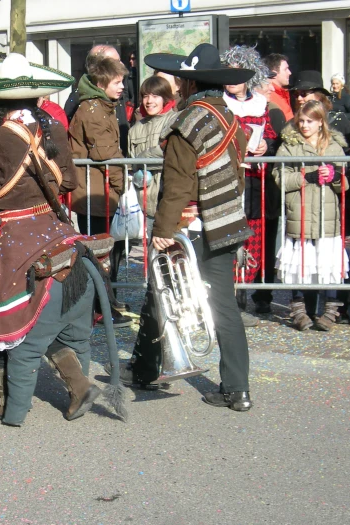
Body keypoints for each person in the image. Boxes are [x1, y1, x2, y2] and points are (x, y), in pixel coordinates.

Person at [0, 53, 126, 426]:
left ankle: (4, 401)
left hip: (13, 236)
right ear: (35, 97)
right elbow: (70, 182)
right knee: (57, 323)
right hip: (57, 229)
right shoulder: (54, 130)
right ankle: (75, 383)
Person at [128, 43, 254, 411]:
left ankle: (147, 371)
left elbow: (178, 183)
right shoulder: (229, 117)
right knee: (224, 306)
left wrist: (163, 229)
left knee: (160, 294)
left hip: (190, 224)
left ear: (187, 82)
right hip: (226, 221)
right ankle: (237, 389)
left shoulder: (187, 122)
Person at [273, 100, 350, 332]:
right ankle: (299, 310)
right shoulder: (289, 145)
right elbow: (280, 177)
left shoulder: (334, 146)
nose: (304, 125)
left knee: (328, 262)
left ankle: (330, 310)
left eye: (310, 121)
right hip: (300, 212)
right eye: (301, 121)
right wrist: (306, 176)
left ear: (320, 122)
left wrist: (334, 176)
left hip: (326, 213)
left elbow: (344, 184)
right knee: (300, 263)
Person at [220, 45, 280, 324]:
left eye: (239, 74)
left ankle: (247, 294)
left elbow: (269, 133)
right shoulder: (218, 103)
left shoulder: (261, 104)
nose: (233, 80)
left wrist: (266, 144)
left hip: (255, 182)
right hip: (225, 180)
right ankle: (229, 300)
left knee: (254, 240)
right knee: (228, 238)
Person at [69, 56, 130, 298]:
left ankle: (104, 302)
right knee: (100, 252)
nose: (122, 86)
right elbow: (106, 155)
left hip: (96, 189)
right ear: (102, 84)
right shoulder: (94, 111)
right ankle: (102, 305)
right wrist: (120, 185)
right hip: (97, 191)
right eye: (117, 82)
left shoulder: (99, 106)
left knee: (101, 250)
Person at [127, 75, 177, 236]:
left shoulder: (175, 120)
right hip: (144, 201)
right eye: (145, 96)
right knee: (150, 255)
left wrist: (143, 158)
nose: (149, 101)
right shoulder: (135, 129)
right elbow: (131, 163)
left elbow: (171, 155)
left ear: (165, 98)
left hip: (169, 199)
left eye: (155, 96)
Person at [64, 45, 131, 156]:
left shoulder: (116, 92)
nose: (121, 65)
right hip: (99, 165)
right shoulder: (80, 98)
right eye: (115, 62)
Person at [291, 70, 350, 147]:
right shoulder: (291, 124)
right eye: (296, 94)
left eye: (303, 94)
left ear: (318, 96)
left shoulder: (338, 121)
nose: (299, 98)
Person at [263, 53, 294, 121]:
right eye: (285, 69)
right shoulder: (269, 95)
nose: (289, 72)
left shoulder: (283, 93)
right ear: (274, 73)